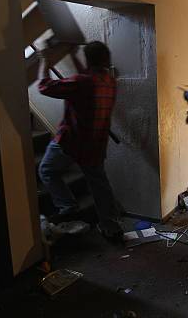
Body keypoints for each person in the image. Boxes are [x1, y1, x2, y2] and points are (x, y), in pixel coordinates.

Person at [37, 41, 123, 242]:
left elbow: (44, 87)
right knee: (99, 185)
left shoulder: (82, 82)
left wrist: (44, 61)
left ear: (88, 60)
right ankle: (111, 227)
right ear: (106, 60)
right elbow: (84, 77)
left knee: (46, 170)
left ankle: (67, 206)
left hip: (72, 141)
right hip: (96, 144)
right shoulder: (109, 82)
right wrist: (74, 54)